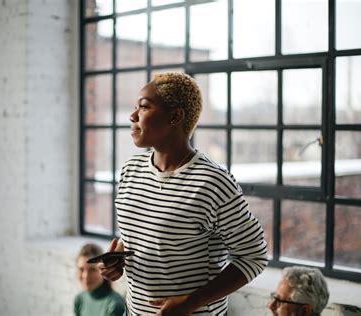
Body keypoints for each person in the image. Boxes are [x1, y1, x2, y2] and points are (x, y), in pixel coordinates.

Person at [99, 72, 268, 315]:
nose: (132, 116)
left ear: (175, 116)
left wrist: (190, 302)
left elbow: (254, 256)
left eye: (144, 107)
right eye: (135, 107)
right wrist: (118, 259)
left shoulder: (212, 182)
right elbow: (145, 235)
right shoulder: (130, 170)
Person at [74, 243, 125, 316]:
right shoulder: (79, 299)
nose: (86, 276)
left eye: (92, 269)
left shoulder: (115, 305)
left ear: (102, 269)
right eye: (81, 269)